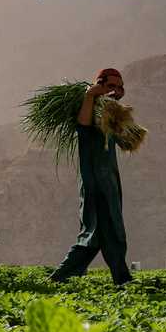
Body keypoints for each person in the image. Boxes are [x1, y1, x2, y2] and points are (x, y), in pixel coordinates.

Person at [50, 68, 133, 285]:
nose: (115, 91)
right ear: (99, 86)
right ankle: (62, 277)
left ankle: (120, 278)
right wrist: (90, 95)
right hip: (94, 184)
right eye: (110, 86)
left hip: (110, 183)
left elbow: (128, 141)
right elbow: (83, 126)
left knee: (107, 233)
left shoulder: (110, 115)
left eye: (119, 87)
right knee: (94, 234)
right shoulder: (91, 108)